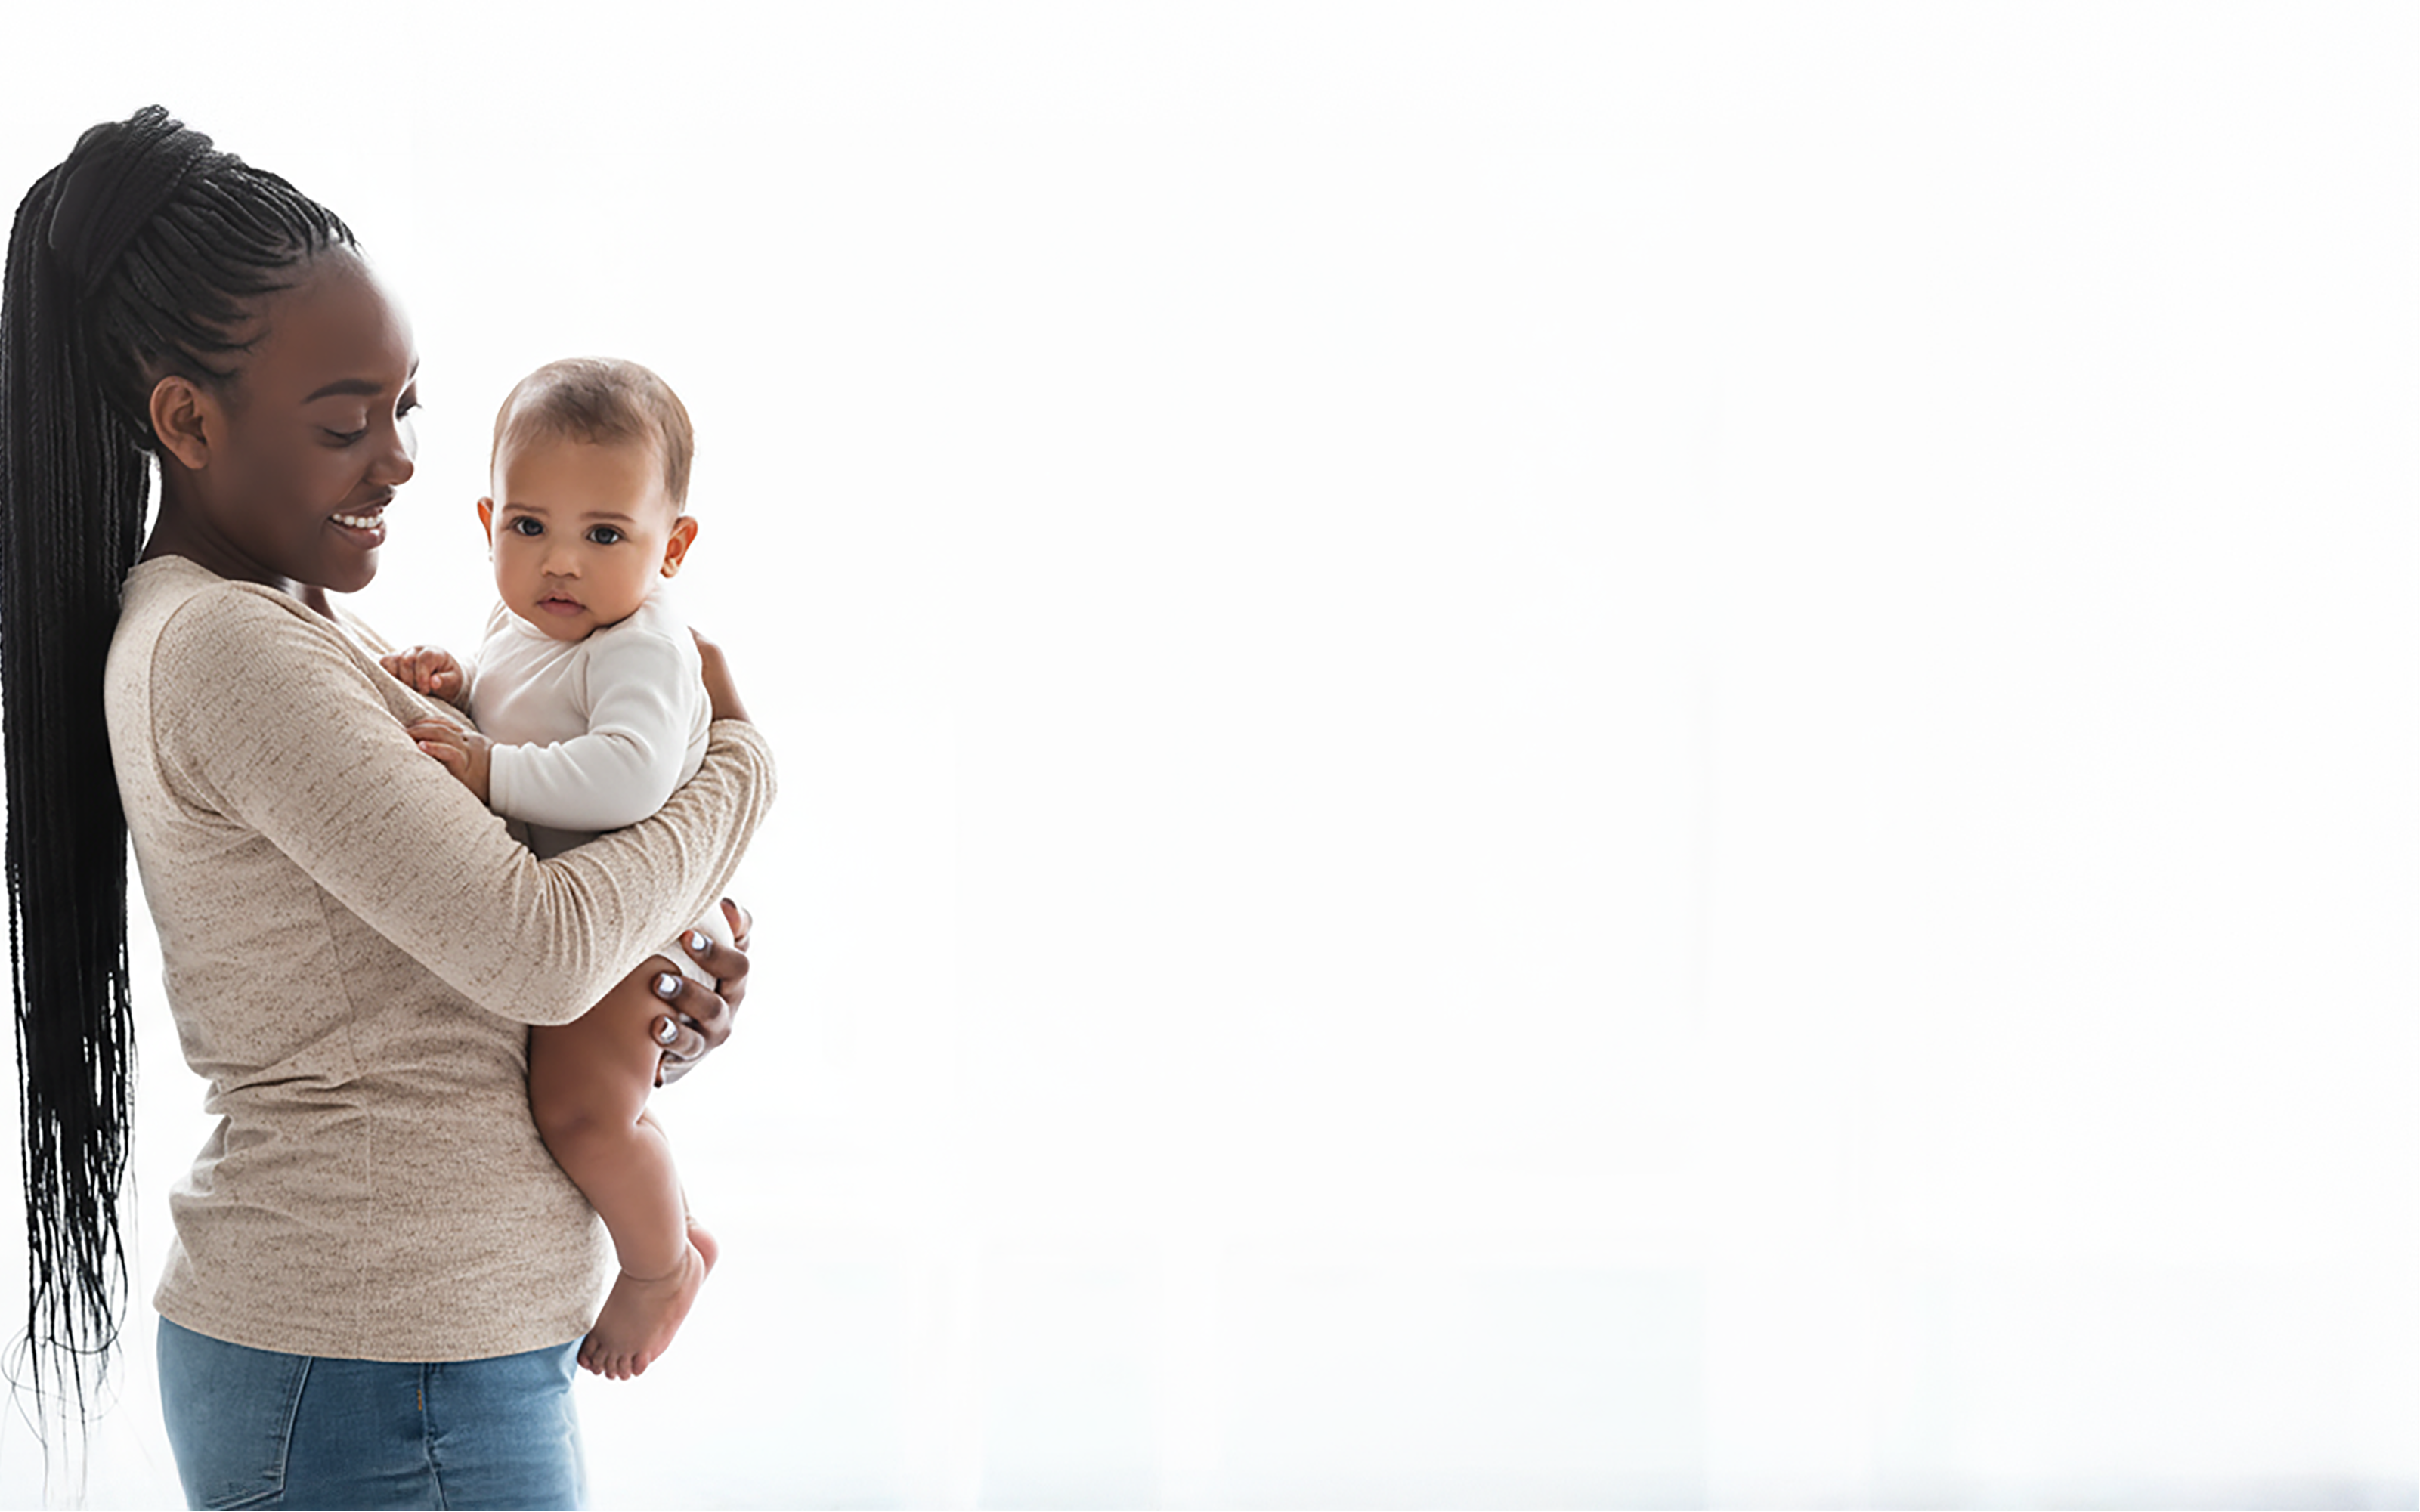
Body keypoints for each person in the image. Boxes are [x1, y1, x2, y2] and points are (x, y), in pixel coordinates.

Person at [0, 106, 776, 1510]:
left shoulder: (299, 623)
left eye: (407, 406)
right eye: (347, 421)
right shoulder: (223, 648)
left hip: (416, 1358)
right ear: (187, 418)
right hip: (372, 1370)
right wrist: (741, 773)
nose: (407, 461)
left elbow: (479, 969)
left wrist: (646, 1001)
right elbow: (538, 944)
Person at [380, 355, 735, 1381]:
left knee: (585, 1112)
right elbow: (522, 705)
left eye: (604, 535)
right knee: (588, 1103)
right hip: (589, 916)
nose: (561, 564)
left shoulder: (645, 646)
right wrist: (457, 687)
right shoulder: (522, 622)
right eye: (529, 529)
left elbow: (623, 777)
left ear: (672, 547)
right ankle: (676, 1230)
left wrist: (486, 765)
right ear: (489, 521)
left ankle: (660, 1266)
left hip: (639, 926)